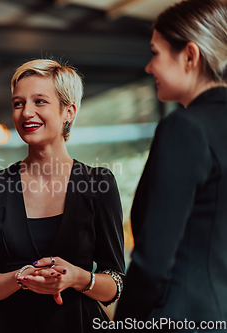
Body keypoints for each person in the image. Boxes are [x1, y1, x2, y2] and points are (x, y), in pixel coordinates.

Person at [0, 59, 125, 332]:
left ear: (68, 112)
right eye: (18, 103)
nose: (26, 113)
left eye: (39, 102)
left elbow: (116, 284)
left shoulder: (99, 183)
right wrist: (21, 277)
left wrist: (76, 278)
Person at [114, 0, 227, 331]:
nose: (149, 67)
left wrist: (123, 325)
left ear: (190, 56)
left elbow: (153, 262)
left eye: (156, 53)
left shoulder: (185, 128)